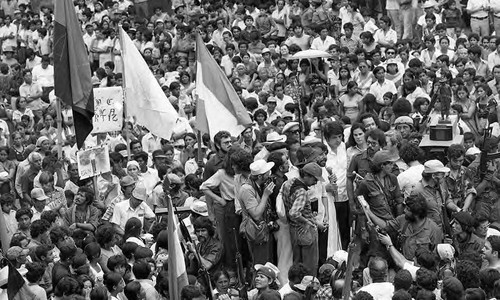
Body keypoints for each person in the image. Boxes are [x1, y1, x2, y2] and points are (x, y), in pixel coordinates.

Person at [282, 162, 324, 276]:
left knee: (298, 265)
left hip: (294, 230)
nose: (316, 182)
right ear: (306, 176)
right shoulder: (302, 192)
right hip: (305, 231)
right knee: (309, 267)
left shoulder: (289, 182)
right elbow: (294, 212)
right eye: (314, 179)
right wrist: (308, 222)